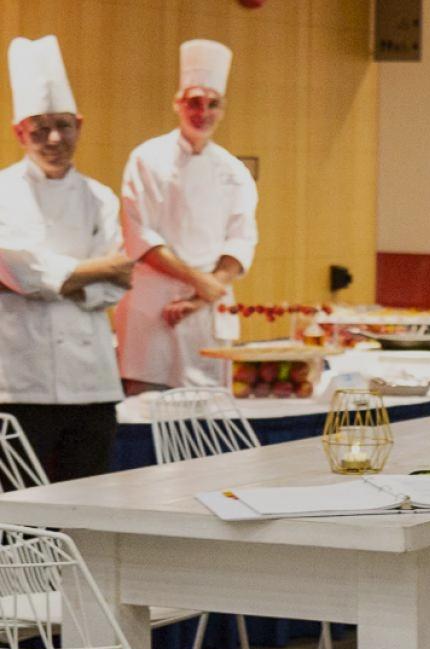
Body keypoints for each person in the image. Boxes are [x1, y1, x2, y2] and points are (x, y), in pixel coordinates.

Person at [0, 36, 134, 486]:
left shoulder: (100, 197)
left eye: (63, 125)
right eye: (40, 128)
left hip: (92, 381)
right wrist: (96, 268)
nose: (54, 139)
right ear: (20, 132)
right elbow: (9, 267)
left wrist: (33, 278)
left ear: (79, 125)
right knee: (15, 515)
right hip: (18, 382)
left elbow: (115, 287)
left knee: (88, 504)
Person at [116, 39, 258, 394]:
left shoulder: (232, 170)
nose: (203, 112)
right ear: (178, 103)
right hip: (153, 309)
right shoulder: (146, 159)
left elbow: (241, 239)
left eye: (213, 104)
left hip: (207, 312)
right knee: (146, 411)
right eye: (194, 102)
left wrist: (206, 291)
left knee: (209, 418)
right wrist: (201, 281)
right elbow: (140, 237)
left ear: (222, 109)